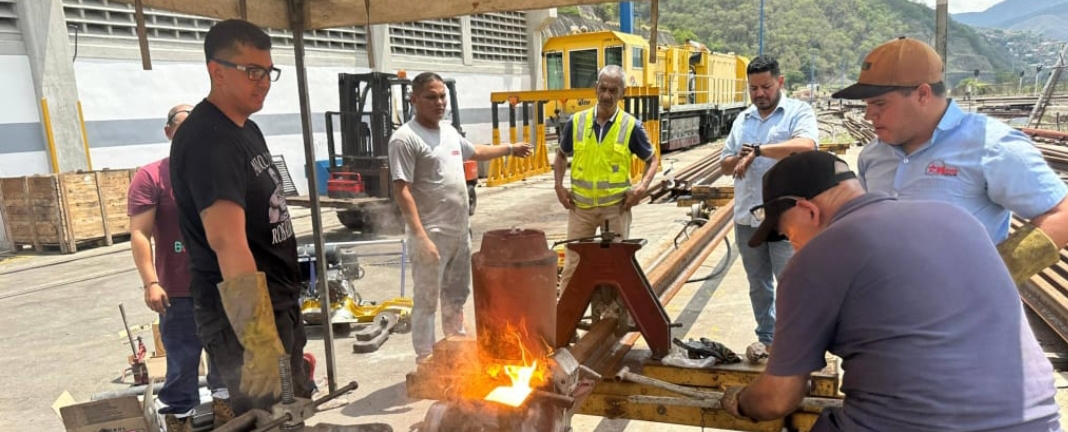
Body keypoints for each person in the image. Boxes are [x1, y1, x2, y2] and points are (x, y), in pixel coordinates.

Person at [721, 151, 1062, 432]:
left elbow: (779, 398)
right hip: (1038, 421)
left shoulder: (816, 259)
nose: (792, 246)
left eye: (786, 234)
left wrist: (740, 400)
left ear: (807, 210)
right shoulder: (956, 218)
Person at [833, 37, 1068, 285]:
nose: (869, 115)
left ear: (923, 94)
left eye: (879, 103)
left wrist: (995, 278)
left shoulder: (991, 146)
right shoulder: (873, 155)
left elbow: (1061, 213)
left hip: (966, 317)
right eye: (867, 105)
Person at [170, 19, 308, 416]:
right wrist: (260, 339)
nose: (263, 81)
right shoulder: (208, 142)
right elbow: (226, 241)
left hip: (276, 305)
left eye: (268, 72)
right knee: (272, 420)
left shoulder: (247, 130)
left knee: (294, 413)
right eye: (252, 71)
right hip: (243, 321)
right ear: (217, 71)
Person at [389, 71, 533, 361]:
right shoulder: (405, 139)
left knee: (456, 294)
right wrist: (420, 237)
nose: (439, 102)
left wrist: (509, 148)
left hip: (459, 232)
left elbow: (475, 152)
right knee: (427, 299)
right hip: (431, 235)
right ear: (414, 99)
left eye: (442, 96)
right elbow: (401, 190)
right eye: (431, 96)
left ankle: (455, 349)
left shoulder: (449, 131)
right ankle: (426, 359)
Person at [129, 105, 232, 431]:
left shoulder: (219, 172)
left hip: (222, 284)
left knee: (226, 358)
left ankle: (227, 414)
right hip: (178, 291)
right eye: (182, 126)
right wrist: (150, 282)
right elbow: (140, 233)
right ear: (168, 132)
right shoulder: (151, 177)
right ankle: (179, 420)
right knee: (183, 363)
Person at [719, 55, 818, 360]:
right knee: (758, 284)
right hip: (748, 217)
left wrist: (759, 151)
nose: (759, 93)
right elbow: (724, 164)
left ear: (780, 82)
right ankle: (767, 337)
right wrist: (739, 159)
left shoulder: (797, 113)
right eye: (753, 88)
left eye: (766, 86)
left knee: (792, 284)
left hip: (787, 219)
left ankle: (798, 341)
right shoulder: (743, 119)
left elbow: (806, 146)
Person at [553, 65, 659, 293]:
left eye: (613, 90)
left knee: (615, 268)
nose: (606, 96)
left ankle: (609, 321)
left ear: (623, 93)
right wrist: (558, 186)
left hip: (615, 209)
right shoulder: (577, 121)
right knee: (573, 265)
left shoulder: (631, 126)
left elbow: (652, 160)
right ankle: (568, 323)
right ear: (595, 89)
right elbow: (561, 155)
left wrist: (641, 188)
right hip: (581, 209)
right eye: (603, 89)